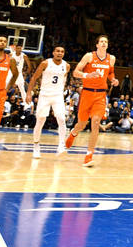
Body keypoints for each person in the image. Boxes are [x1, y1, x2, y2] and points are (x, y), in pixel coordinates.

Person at [64, 35, 118, 167]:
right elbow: (76, 72)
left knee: (95, 122)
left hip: (100, 95)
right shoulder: (89, 56)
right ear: (97, 45)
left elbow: (110, 73)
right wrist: (88, 75)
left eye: (106, 41)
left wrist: (113, 80)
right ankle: (73, 133)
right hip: (87, 93)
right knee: (82, 123)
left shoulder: (111, 58)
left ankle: (89, 155)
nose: (104, 43)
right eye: (101, 41)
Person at [25, 46, 70, 158]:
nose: (60, 53)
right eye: (58, 51)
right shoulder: (45, 63)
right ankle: (36, 146)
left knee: (61, 119)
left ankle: (61, 145)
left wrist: (62, 92)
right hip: (44, 95)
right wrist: (29, 93)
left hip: (58, 95)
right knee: (40, 121)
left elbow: (64, 79)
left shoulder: (67, 66)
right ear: (53, 52)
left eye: (62, 51)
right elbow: (34, 78)